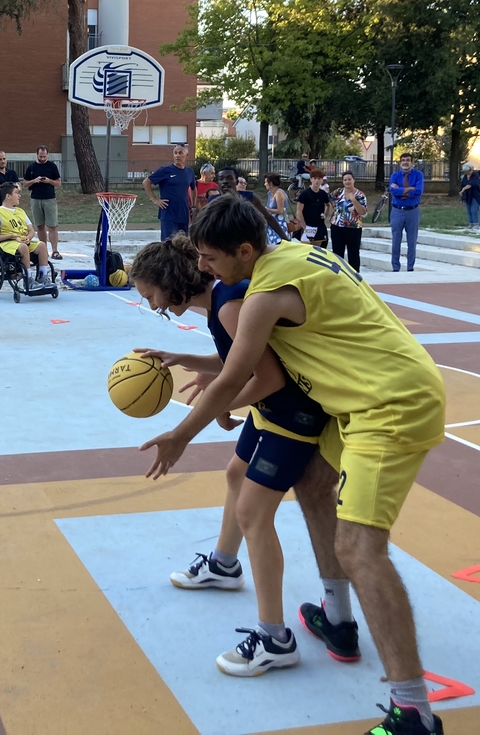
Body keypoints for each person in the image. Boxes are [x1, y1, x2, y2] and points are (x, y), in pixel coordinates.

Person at [142, 196, 448, 735]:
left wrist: (179, 437)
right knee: (309, 482)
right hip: (352, 403)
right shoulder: (292, 258)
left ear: (243, 250)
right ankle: (336, 618)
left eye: (209, 258)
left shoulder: (258, 295)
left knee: (359, 548)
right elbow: (243, 365)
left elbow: (238, 377)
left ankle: (413, 712)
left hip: (389, 403)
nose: (202, 266)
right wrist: (188, 363)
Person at [130, 233, 333, 679]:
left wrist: (222, 404)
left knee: (253, 514)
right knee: (235, 473)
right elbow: (240, 357)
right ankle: (223, 566)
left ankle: (275, 638)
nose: (151, 305)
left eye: (150, 295)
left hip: (292, 412)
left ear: (170, 280)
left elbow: (269, 378)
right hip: (273, 409)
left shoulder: (228, 304)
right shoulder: (220, 298)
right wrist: (188, 359)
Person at [0, 182, 53, 288]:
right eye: (16, 193)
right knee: (23, 247)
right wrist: (12, 236)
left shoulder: (21, 212)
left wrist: (28, 238)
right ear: (8, 196)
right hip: (7, 242)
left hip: (22, 240)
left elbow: (31, 231)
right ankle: (28, 280)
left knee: (42, 245)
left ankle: (43, 276)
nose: (19, 196)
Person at [144, 144, 196, 240]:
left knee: (183, 244)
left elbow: (194, 188)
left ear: (187, 155)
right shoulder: (165, 170)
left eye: (180, 153)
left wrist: (193, 205)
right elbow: (146, 182)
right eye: (175, 153)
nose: (177, 155)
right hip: (168, 214)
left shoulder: (189, 172)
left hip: (183, 214)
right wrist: (155, 200)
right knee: (168, 244)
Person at [23, 145, 62, 259]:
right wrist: (34, 181)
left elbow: (58, 183)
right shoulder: (31, 167)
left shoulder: (52, 166)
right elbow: (25, 184)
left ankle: (55, 250)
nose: (42, 158)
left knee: (52, 226)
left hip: (49, 199)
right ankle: (43, 249)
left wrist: (49, 181)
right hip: (35, 199)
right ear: (37, 154)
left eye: (44, 156)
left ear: (47, 155)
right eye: (41, 156)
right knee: (40, 226)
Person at [388, 154, 423, 272]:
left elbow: (418, 191)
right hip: (397, 210)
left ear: (412, 163)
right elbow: (392, 191)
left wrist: (400, 190)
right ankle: (395, 267)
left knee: (412, 241)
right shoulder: (395, 175)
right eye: (403, 160)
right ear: (399, 163)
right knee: (396, 240)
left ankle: (410, 267)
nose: (405, 162)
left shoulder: (418, 175)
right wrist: (409, 189)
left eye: (408, 160)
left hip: (412, 211)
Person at [330, 172, 367, 272]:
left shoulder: (360, 195)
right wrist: (333, 208)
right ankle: (337, 276)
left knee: (353, 254)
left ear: (353, 180)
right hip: (337, 226)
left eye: (349, 179)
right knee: (337, 254)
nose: (347, 182)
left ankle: (354, 278)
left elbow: (363, 212)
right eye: (345, 180)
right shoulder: (338, 192)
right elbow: (328, 198)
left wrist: (354, 200)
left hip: (353, 228)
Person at [293, 169, 332, 249]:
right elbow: (299, 212)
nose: (317, 181)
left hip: (319, 226)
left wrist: (325, 215)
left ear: (322, 180)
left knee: (319, 250)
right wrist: (305, 227)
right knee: (306, 251)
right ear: (311, 179)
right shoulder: (304, 194)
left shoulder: (323, 194)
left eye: (319, 178)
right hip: (307, 225)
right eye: (314, 178)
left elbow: (328, 205)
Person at [263, 173, 289, 244]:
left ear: (270, 183)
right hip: (271, 223)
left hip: (279, 223)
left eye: (266, 182)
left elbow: (280, 211)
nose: (264, 184)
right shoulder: (269, 193)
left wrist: (266, 209)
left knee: (278, 243)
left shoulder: (279, 193)